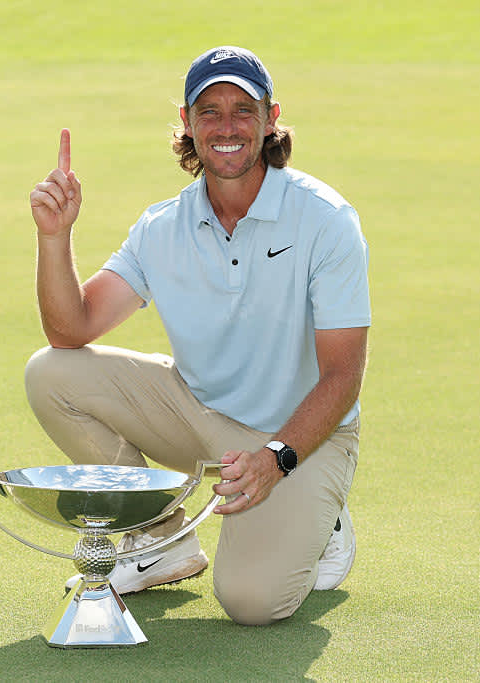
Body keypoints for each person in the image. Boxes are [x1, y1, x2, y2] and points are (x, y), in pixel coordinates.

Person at [25, 46, 371, 626]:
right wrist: (55, 237)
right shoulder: (163, 226)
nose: (227, 127)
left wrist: (277, 458)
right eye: (209, 112)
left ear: (270, 118)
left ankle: (322, 522)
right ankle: (162, 540)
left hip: (301, 441)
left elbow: (343, 375)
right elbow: (71, 329)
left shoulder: (326, 219)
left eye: (244, 110)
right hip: (201, 417)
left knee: (251, 604)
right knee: (51, 373)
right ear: (187, 122)